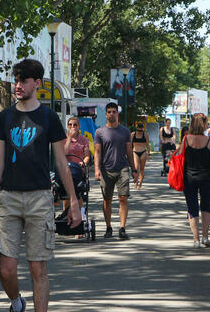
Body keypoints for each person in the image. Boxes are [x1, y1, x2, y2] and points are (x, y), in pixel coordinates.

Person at [0, 58, 80, 312]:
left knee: (38, 267)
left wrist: (74, 201)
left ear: (38, 83)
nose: (18, 85)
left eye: (24, 80)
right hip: (9, 198)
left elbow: (62, 162)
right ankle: (16, 305)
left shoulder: (49, 118)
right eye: (16, 79)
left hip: (40, 197)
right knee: (6, 269)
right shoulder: (5, 117)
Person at [94, 102, 134, 240]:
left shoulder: (125, 131)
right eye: (109, 112)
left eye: (114, 111)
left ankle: (122, 228)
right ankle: (108, 227)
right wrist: (97, 169)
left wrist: (134, 169)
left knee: (123, 198)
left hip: (122, 167)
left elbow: (129, 150)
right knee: (107, 199)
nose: (111, 114)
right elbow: (97, 151)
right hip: (106, 169)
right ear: (105, 114)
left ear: (118, 113)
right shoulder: (100, 132)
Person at [181, 113, 210, 247]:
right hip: (206, 177)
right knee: (206, 206)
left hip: (189, 178)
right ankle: (205, 237)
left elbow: (180, 158)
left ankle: (196, 240)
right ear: (203, 124)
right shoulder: (209, 141)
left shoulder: (186, 139)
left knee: (192, 208)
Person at [63, 116, 91, 228]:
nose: (73, 127)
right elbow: (63, 154)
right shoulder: (64, 139)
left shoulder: (84, 140)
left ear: (79, 126)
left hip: (78, 171)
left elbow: (87, 156)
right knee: (65, 196)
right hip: (66, 170)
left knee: (78, 194)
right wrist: (69, 139)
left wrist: (82, 163)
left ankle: (79, 220)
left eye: (75, 125)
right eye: (70, 125)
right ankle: (66, 219)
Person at [131, 121, 150, 189]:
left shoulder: (145, 135)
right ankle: (136, 183)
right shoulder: (133, 134)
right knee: (136, 168)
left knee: (142, 169)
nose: (140, 132)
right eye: (139, 130)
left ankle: (140, 184)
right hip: (135, 151)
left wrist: (148, 153)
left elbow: (147, 145)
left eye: (141, 130)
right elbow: (130, 145)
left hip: (143, 151)